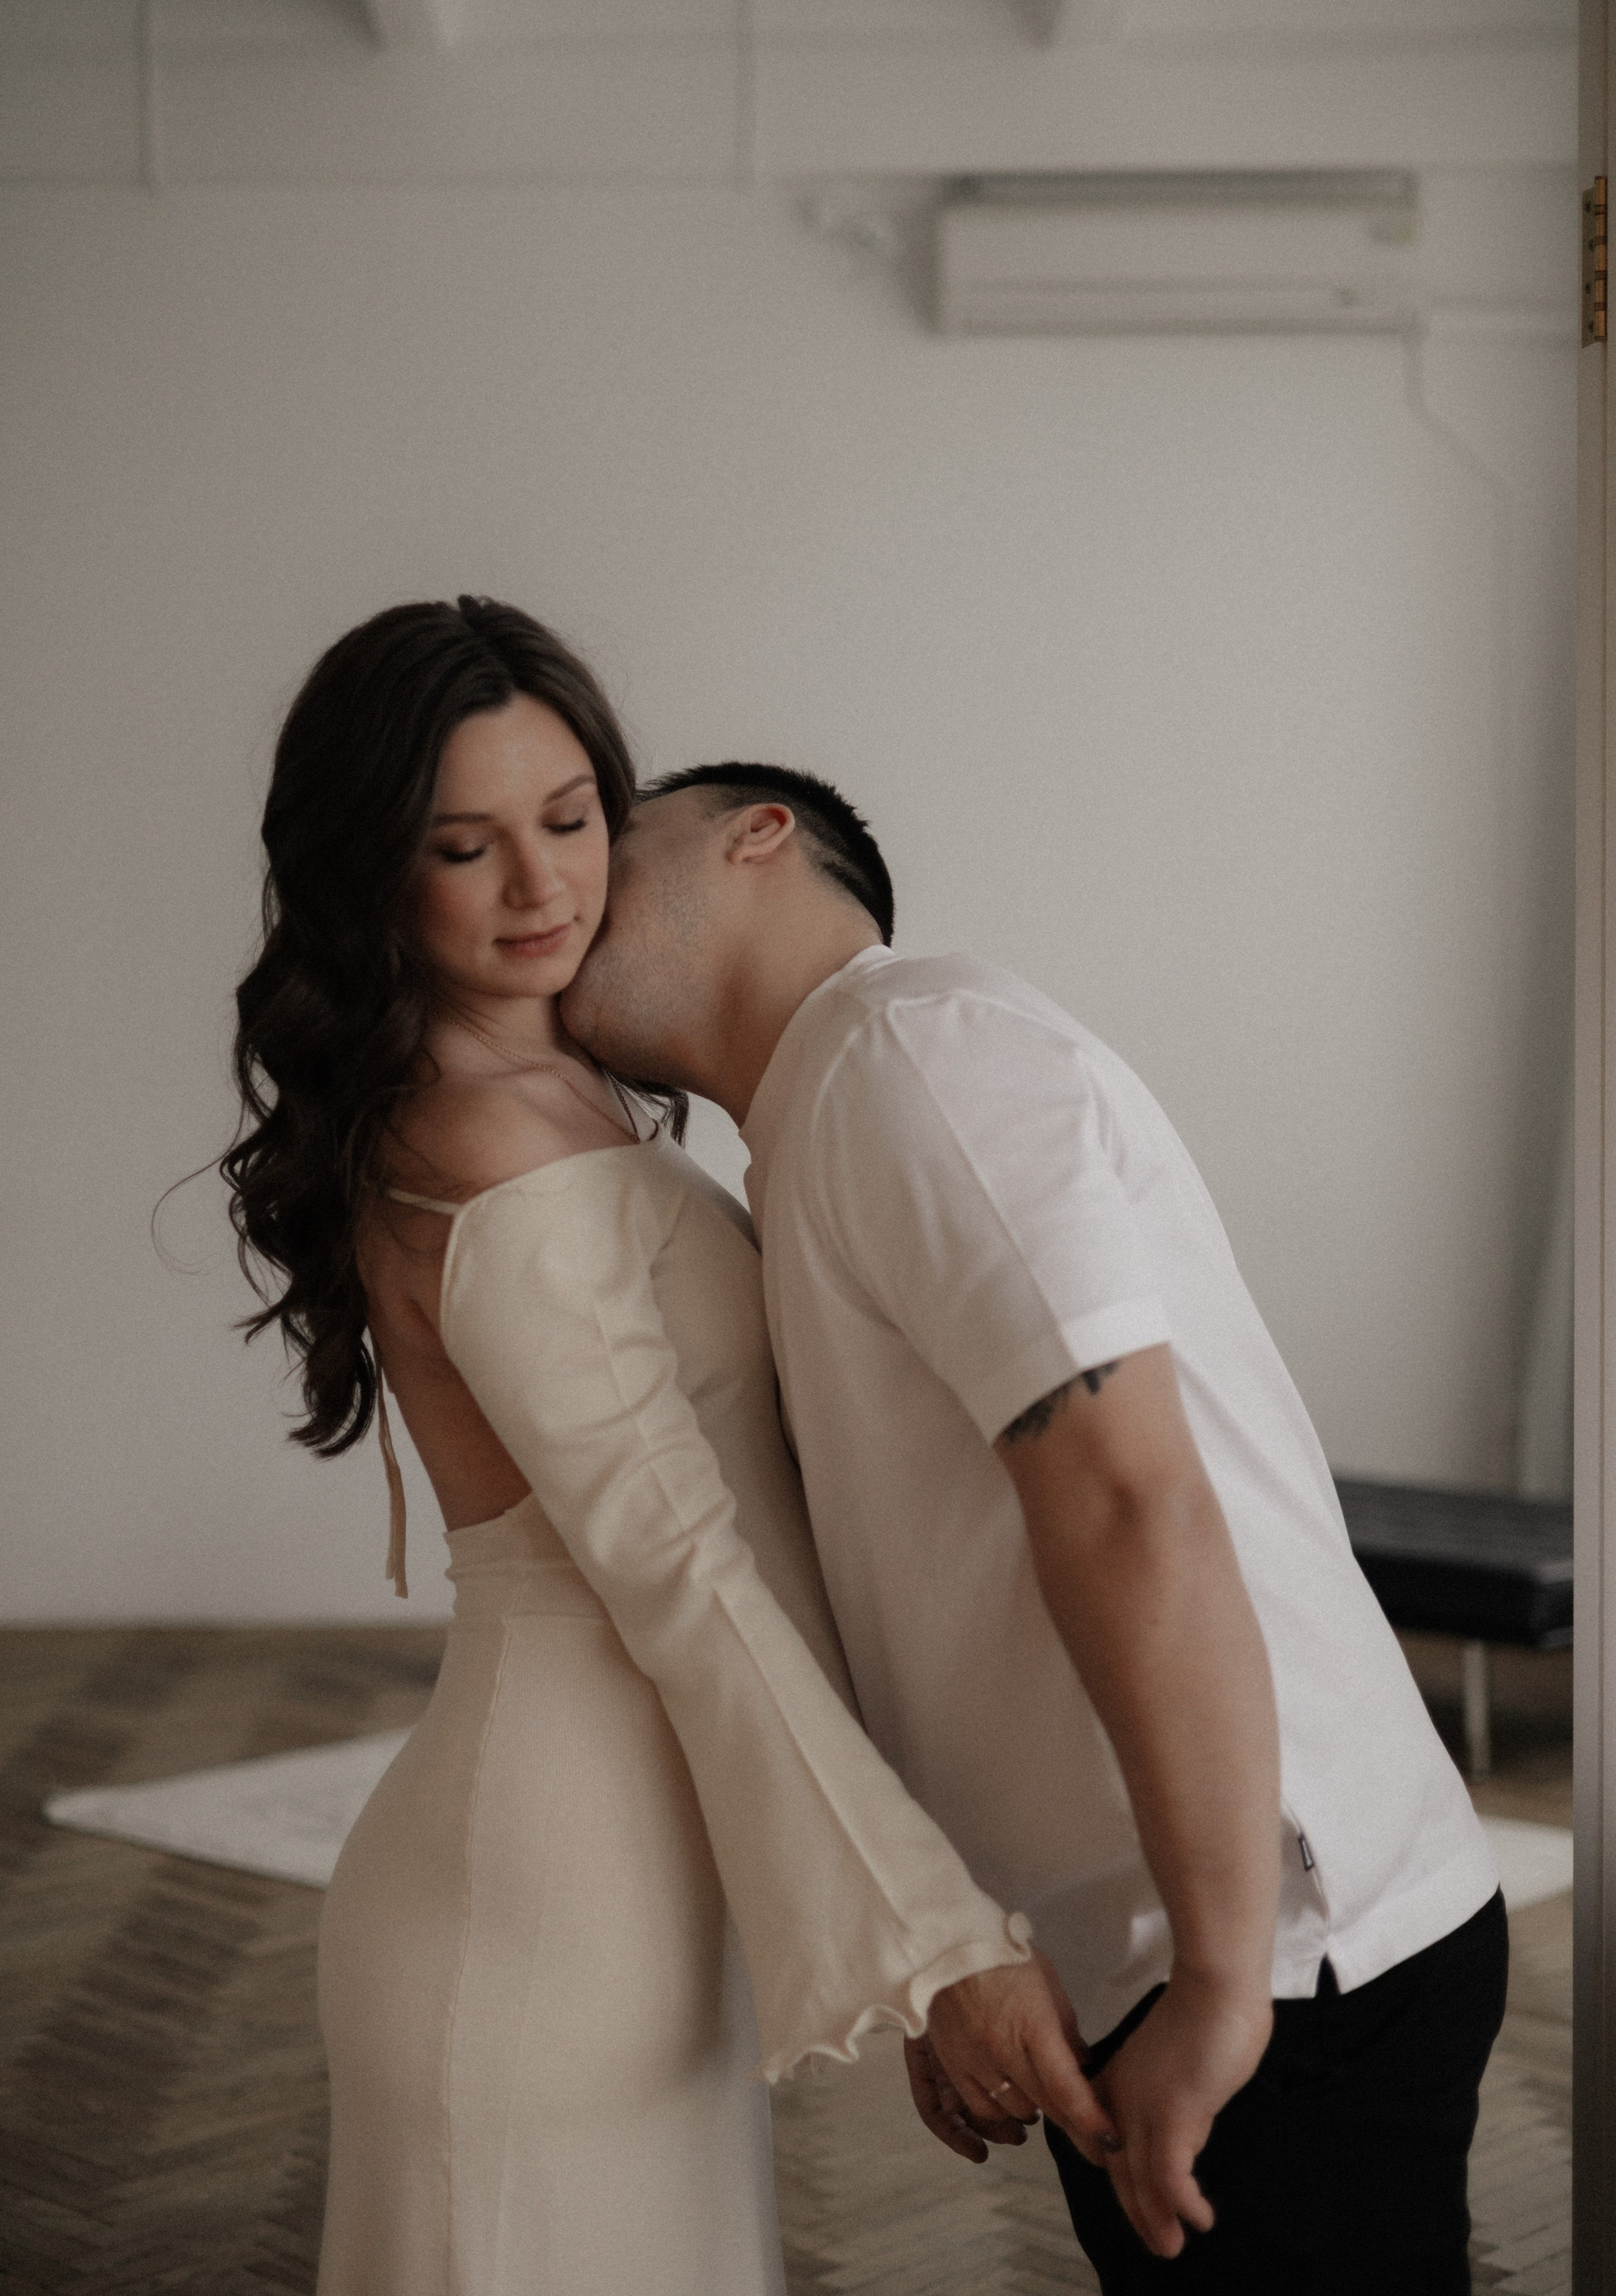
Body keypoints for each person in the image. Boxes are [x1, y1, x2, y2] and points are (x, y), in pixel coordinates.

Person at [221, 601, 1108, 2296]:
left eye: (570, 821)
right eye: (463, 848)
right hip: (548, 1902)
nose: (540, 885)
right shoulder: (483, 1143)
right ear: (369, 875)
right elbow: (686, 1573)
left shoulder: (564, 1089)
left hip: (638, 1877)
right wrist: (938, 1945)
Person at [559, 760, 1510, 2296]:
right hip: (1164, 1955)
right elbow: (934, 1599)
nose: (560, 880)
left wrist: (1222, 1979)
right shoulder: (818, 1121)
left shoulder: (909, 1052)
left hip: (1283, 1960)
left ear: (759, 835)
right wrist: (960, 1944)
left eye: (603, 832)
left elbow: (1130, 1500)